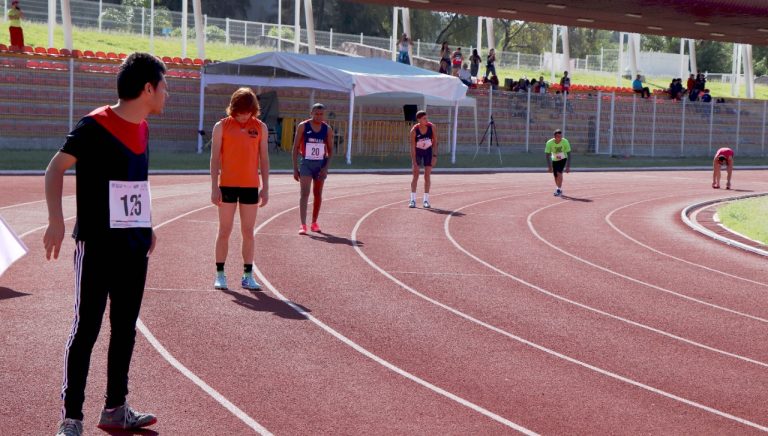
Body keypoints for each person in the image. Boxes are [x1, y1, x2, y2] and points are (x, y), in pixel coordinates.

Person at [44, 53, 168, 436]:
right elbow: (55, 168)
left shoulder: (144, 128)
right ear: (147, 88)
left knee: (125, 328)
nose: (167, 93)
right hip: (97, 246)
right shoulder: (94, 125)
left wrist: (147, 223)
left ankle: (116, 407)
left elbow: (135, 183)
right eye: (164, 85)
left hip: (133, 247)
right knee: (87, 328)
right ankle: (71, 417)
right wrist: (56, 221)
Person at [210, 88, 270, 291]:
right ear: (233, 108)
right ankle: (220, 274)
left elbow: (264, 159)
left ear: (253, 109)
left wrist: (266, 188)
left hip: (251, 186)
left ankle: (247, 275)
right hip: (227, 185)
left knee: (248, 232)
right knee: (224, 230)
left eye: (247, 111)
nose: (243, 116)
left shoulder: (260, 127)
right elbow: (215, 159)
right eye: (240, 111)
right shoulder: (221, 126)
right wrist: (213, 187)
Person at [293, 103, 333, 234]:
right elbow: (295, 148)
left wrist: (326, 168)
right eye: (316, 113)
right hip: (306, 164)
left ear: (324, 115)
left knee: (317, 194)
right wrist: (295, 168)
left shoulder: (327, 129)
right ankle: (303, 224)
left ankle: (314, 222)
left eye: (321, 114)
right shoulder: (303, 126)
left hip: (320, 165)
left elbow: (331, 151)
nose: (318, 116)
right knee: (304, 193)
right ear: (311, 113)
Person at [409, 110, 437, 208]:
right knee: (415, 175)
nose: (426, 120)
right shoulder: (414, 130)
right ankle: (412, 200)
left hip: (428, 153)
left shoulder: (432, 127)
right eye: (424, 118)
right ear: (419, 120)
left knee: (427, 176)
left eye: (427, 118)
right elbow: (412, 146)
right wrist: (414, 161)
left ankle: (426, 200)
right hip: (418, 152)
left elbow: (435, 142)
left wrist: (434, 156)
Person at [545, 129, 572, 196]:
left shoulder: (565, 141)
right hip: (554, 159)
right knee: (555, 176)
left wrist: (568, 167)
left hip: (563, 158)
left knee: (559, 173)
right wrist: (549, 167)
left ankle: (559, 189)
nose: (559, 138)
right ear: (554, 137)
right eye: (558, 136)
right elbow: (547, 154)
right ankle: (558, 188)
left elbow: (569, 153)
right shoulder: (549, 143)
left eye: (560, 136)